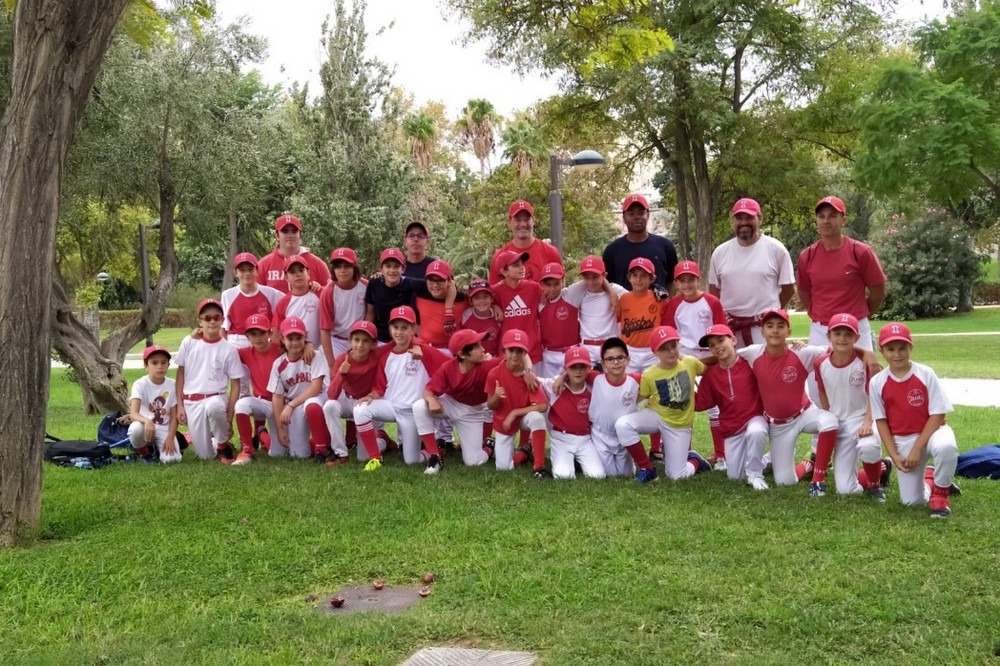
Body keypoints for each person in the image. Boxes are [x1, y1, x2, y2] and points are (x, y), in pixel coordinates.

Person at [869, 323, 959, 517]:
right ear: (882, 350)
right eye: (890, 349)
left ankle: (940, 495)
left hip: (933, 432)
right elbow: (881, 421)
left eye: (903, 348)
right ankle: (930, 477)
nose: (897, 354)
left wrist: (917, 449)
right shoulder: (877, 382)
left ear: (911, 347)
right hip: (904, 439)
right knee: (911, 502)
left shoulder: (925, 373)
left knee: (946, 447)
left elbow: (938, 414)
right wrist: (894, 455)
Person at [353, 306, 449, 472]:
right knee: (360, 409)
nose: (399, 332)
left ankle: (435, 450)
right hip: (390, 406)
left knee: (411, 461)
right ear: (390, 329)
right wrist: (371, 395)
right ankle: (375, 457)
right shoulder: (385, 354)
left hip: (412, 412)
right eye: (395, 327)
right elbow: (380, 385)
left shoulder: (423, 351)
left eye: (404, 328)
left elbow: (449, 366)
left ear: (414, 329)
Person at [615, 326, 711, 483]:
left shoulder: (690, 363)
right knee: (623, 424)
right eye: (664, 349)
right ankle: (647, 468)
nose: (671, 352)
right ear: (654, 352)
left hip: (679, 424)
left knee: (676, 476)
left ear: (679, 344)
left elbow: (708, 371)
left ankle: (695, 460)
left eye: (673, 346)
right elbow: (640, 397)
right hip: (656, 415)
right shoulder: (650, 374)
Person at [814, 313, 891, 499]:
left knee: (869, 446)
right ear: (829, 336)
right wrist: (829, 419)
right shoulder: (820, 363)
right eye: (837, 333)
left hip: (863, 417)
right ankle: (882, 467)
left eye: (848, 334)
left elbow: (874, 395)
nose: (842, 338)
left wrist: (867, 421)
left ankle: (874, 485)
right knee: (845, 489)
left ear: (857, 338)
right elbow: (823, 392)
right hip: (839, 422)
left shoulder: (864, 362)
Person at [797, 196, 886, 350]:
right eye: (821, 216)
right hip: (821, 330)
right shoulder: (807, 255)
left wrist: (860, 313)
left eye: (832, 216)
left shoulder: (860, 252)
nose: (826, 221)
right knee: (819, 373)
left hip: (855, 329)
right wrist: (819, 313)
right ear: (817, 221)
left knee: (860, 373)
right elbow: (804, 291)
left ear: (843, 220)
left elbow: (878, 290)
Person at [661, 260, 727, 469]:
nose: (687, 284)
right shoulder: (674, 304)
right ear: (677, 283)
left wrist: (708, 359)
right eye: (682, 280)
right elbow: (669, 335)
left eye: (691, 279)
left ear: (698, 279)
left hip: (709, 356)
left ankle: (721, 455)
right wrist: (678, 359)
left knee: (715, 408)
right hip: (683, 359)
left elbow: (721, 332)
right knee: (682, 406)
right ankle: (684, 453)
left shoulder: (711, 302)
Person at [708, 198, 795, 347]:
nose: (744, 222)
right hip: (731, 327)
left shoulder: (776, 249)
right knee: (733, 369)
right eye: (739, 218)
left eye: (749, 217)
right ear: (733, 221)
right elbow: (714, 290)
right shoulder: (720, 253)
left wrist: (771, 312)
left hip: (763, 326)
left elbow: (788, 288)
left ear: (759, 219)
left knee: (767, 369)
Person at [695, 325, 769, 490]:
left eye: (721, 340)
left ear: (733, 340)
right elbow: (701, 403)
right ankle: (769, 459)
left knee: (756, 431)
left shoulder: (750, 362)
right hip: (731, 426)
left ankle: (755, 474)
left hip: (755, 417)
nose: (717, 347)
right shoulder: (711, 375)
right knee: (735, 476)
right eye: (712, 345)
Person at [413, 329, 500, 468]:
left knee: (473, 462)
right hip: (452, 404)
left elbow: (515, 359)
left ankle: (489, 446)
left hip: (473, 411)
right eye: (476, 346)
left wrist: (527, 371)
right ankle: (435, 457)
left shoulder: (488, 364)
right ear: (461, 354)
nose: (483, 349)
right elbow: (428, 390)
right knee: (418, 407)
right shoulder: (448, 368)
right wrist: (431, 399)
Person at [175, 299, 243, 462]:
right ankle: (214, 441)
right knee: (204, 456)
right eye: (207, 318)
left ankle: (222, 445)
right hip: (192, 401)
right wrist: (180, 405)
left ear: (222, 320)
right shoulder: (189, 342)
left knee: (214, 407)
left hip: (215, 396)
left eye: (216, 317)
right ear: (200, 321)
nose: (212, 321)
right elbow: (180, 374)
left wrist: (228, 418)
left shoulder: (229, 349)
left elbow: (235, 385)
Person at [322, 320, 392, 465]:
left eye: (365, 341)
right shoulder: (342, 359)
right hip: (348, 400)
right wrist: (341, 374)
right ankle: (340, 454)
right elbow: (331, 395)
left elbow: (396, 343)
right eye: (356, 340)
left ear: (373, 345)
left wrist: (417, 342)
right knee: (330, 406)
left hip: (367, 404)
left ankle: (382, 439)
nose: (360, 345)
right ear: (350, 341)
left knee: (364, 457)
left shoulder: (376, 354)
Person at [485, 329, 548, 474]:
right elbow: (490, 405)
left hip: (522, 417)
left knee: (537, 418)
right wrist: (495, 396)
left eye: (519, 351)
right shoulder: (494, 373)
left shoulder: (529, 376)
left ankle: (539, 467)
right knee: (503, 468)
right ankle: (524, 453)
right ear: (504, 351)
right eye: (511, 350)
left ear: (525, 353)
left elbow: (543, 406)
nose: (514, 355)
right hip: (504, 421)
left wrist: (515, 413)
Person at [268, 317, 330, 460]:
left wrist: (290, 405)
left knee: (310, 406)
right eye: (290, 338)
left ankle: (325, 444)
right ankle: (263, 435)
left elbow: (315, 388)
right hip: (294, 406)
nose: (295, 342)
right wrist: (280, 428)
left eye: (299, 337)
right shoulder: (279, 364)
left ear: (305, 337)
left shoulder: (314, 355)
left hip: (314, 400)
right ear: (282, 339)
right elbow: (277, 397)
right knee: (290, 453)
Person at [539, 347, 606, 480]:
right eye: (573, 367)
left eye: (582, 366)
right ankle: (569, 460)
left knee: (597, 476)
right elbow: (534, 382)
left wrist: (563, 376)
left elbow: (606, 378)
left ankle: (575, 461)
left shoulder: (593, 385)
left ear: (589, 368)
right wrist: (528, 372)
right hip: (561, 438)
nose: (577, 371)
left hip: (585, 438)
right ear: (565, 368)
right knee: (563, 476)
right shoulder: (555, 385)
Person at [232, 314, 282, 465]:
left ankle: (261, 433)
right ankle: (247, 450)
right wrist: (199, 337)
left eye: (262, 333)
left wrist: (308, 346)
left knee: (279, 453)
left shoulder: (280, 349)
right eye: (253, 334)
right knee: (241, 404)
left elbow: (297, 346)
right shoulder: (245, 353)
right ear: (247, 336)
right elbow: (221, 351)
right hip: (261, 402)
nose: (258, 338)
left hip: (281, 403)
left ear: (270, 333)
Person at [602, 193, 678, 292]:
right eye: (631, 213)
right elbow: (606, 283)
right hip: (624, 306)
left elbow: (672, 281)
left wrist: (666, 302)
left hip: (658, 306)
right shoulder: (612, 251)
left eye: (641, 213)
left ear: (648, 214)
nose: (636, 217)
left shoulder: (665, 246)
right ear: (624, 217)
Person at [563, 255, 625, 366]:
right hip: (587, 347)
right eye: (586, 277)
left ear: (604, 276)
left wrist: (611, 293)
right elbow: (556, 292)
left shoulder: (616, 290)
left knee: (611, 381)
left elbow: (636, 296)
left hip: (610, 346)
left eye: (595, 277)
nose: (591, 282)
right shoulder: (580, 291)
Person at [127, 345, 180, 464]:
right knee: (135, 430)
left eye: (163, 362)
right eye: (154, 363)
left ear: (168, 365)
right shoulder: (140, 384)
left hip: (164, 427)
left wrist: (170, 437)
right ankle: (145, 454)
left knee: (171, 460)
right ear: (146, 366)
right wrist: (147, 421)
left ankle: (156, 447)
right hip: (144, 425)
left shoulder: (172, 385)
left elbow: (173, 417)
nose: (160, 367)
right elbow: (133, 414)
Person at [488, 200, 563, 283]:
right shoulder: (499, 257)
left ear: (533, 220)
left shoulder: (550, 252)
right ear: (509, 222)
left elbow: (560, 290)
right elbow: (494, 292)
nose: (523, 224)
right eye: (518, 220)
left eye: (527, 219)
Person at [220, 252, 282, 349]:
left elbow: (291, 300)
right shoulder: (228, 295)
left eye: (250, 269)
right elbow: (223, 327)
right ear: (235, 272)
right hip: (237, 342)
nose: (247, 273)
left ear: (257, 270)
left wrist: (311, 286)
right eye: (242, 270)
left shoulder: (271, 294)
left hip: (263, 341)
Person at [256, 213, 330, 293]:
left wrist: (319, 289)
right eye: (285, 231)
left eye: (294, 231)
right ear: (277, 235)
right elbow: (255, 296)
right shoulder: (263, 265)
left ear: (300, 234)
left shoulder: (318, 264)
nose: (290, 235)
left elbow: (330, 295)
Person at [492, 250, 543, 364]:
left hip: (532, 351)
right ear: (504, 272)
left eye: (522, 264)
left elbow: (553, 295)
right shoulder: (494, 292)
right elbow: (478, 302)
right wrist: (494, 305)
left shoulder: (534, 288)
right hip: (509, 354)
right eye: (516, 265)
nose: (522, 268)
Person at [319, 247, 368, 362]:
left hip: (360, 339)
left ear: (354, 267)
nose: (342, 270)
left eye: (347, 266)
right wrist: (331, 363)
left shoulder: (365, 286)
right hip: (337, 341)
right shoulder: (328, 292)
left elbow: (370, 314)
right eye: (338, 267)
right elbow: (325, 330)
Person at [538, 262, 581, 378]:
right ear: (542, 284)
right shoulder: (539, 302)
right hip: (549, 355)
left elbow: (594, 278)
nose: (552, 288)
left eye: (556, 284)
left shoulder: (570, 295)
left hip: (571, 352)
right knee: (551, 392)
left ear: (563, 280)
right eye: (548, 284)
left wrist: (612, 294)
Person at [272, 256, 322, 348]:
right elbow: (276, 334)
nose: (298, 274)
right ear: (286, 277)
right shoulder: (283, 303)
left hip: (321, 352)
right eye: (292, 272)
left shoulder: (320, 293)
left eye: (301, 270)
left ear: (308, 273)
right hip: (295, 352)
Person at [460, 279, 502, 357]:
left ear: (492, 298)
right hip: (472, 359)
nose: (481, 301)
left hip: (493, 359)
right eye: (477, 298)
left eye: (485, 297)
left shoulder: (498, 316)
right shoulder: (465, 316)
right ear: (471, 301)